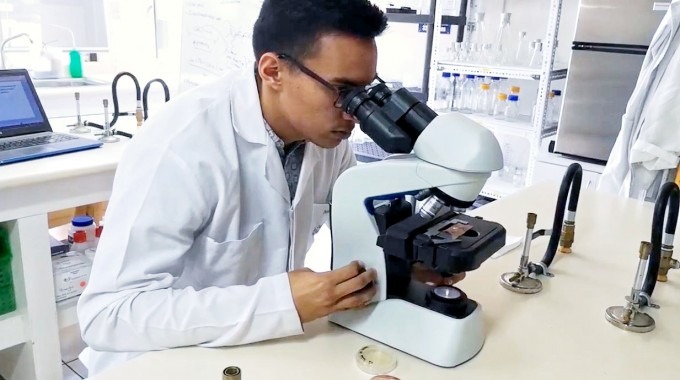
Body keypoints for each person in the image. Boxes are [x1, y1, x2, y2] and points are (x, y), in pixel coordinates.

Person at [77, 0, 463, 375]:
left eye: (365, 94)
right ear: (273, 70)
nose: (355, 114)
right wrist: (280, 303)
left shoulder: (329, 141)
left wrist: (403, 263)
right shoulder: (180, 146)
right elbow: (108, 315)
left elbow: (363, 235)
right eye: (343, 92)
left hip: (261, 349)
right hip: (162, 362)